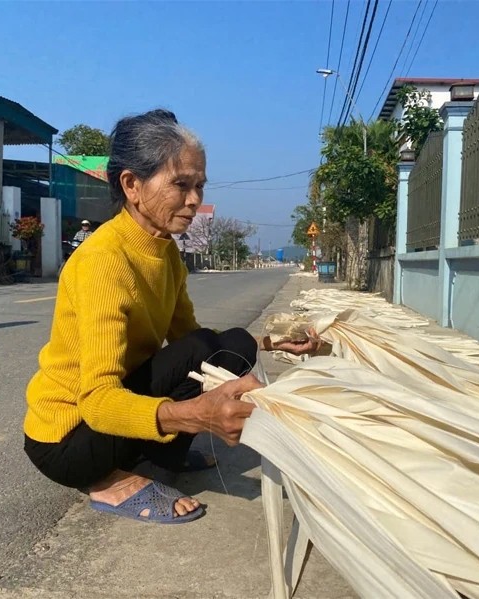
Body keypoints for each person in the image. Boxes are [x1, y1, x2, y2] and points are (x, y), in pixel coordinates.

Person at [23, 109, 319, 524]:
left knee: (230, 345)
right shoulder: (103, 261)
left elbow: (195, 344)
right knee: (203, 354)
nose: (194, 200)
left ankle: (158, 451)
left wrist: (273, 342)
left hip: (109, 417)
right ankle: (113, 479)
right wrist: (197, 416)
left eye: (199, 186)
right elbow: (97, 403)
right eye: (181, 185)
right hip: (68, 438)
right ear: (132, 185)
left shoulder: (166, 255)